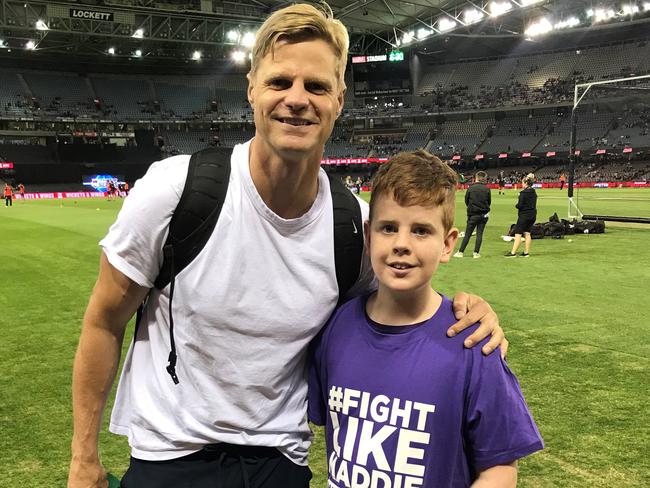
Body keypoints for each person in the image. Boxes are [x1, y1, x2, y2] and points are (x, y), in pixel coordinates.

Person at [68, 4, 507, 488]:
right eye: (280, 82)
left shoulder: (354, 227)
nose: (297, 99)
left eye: (316, 86)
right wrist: (83, 458)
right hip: (172, 458)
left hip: (280, 463)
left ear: (339, 99)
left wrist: (467, 310)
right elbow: (103, 321)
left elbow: (393, 312)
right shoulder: (174, 191)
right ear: (252, 88)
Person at [309, 151, 543, 487]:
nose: (401, 244)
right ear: (368, 236)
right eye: (388, 228)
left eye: (421, 231)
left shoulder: (473, 342)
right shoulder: (336, 328)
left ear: (447, 245)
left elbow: (500, 468)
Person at [454, 170, 491, 258]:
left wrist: (471, 208)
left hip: (473, 214)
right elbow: (489, 202)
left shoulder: (470, 188)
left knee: (468, 234)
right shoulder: (487, 189)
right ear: (484, 179)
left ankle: (460, 252)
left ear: (476, 178)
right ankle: (476, 253)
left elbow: (466, 200)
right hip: (483, 215)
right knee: (479, 234)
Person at [505, 173, 537, 258]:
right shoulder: (534, 192)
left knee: (518, 233)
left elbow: (520, 205)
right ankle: (526, 252)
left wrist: (516, 205)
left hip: (524, 216)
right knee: (527, 233)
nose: (522, 184)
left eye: (523, 183)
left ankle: (513, 253)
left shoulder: (523, 193)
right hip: (532, 215)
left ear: (526, 183)